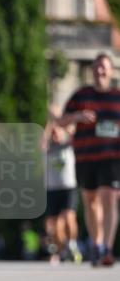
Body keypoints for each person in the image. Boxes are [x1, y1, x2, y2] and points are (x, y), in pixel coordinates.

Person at [58, 52, 120, 266]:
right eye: (96, 67)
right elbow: (61, 121)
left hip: (113, 157)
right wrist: (77, 117)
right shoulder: (81, 95)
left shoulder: (117, 96)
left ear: (111, 71)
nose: (99, 71)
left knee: (109, 197)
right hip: (86, 157)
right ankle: (96, 243)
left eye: (103, 67)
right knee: (91, 202)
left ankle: (108, 248)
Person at [43, 115, 82, 264]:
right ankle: (63, 250)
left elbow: (73, 133)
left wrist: (63, 121)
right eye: (53, 133)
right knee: (54, 224)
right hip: (52, 189)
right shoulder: (47, 149)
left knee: (69, 217)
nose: (55, 135)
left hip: (68, 187)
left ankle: (72, 243)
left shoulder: (69, 147)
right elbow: (43, 140)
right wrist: (51, 121)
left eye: (58, 132)